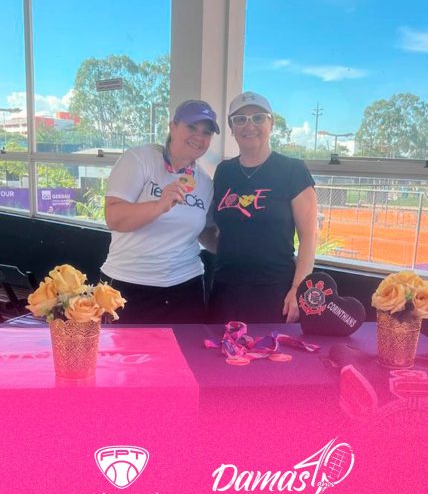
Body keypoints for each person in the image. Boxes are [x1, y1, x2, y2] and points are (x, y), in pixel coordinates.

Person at [100, 99, 220, 324]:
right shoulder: (139, 159)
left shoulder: (205, 182)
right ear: (173, 126)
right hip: (128, 285)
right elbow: (114, 218)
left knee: (186, 348)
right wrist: (159, 205)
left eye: (207, 132)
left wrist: (244, 250)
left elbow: (205, 233)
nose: (199, 136)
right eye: (191, 127)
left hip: (186, 288)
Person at [209, 91, 318, 323]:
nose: (249, 126)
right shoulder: (224, 172)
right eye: (240, 119)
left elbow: (309, 236)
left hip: (275, 291)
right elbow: (214, 229)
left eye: (258, 118)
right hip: (224, 290)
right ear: (231, 127)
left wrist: (298, 289)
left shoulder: (293, 170)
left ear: (271, 123)